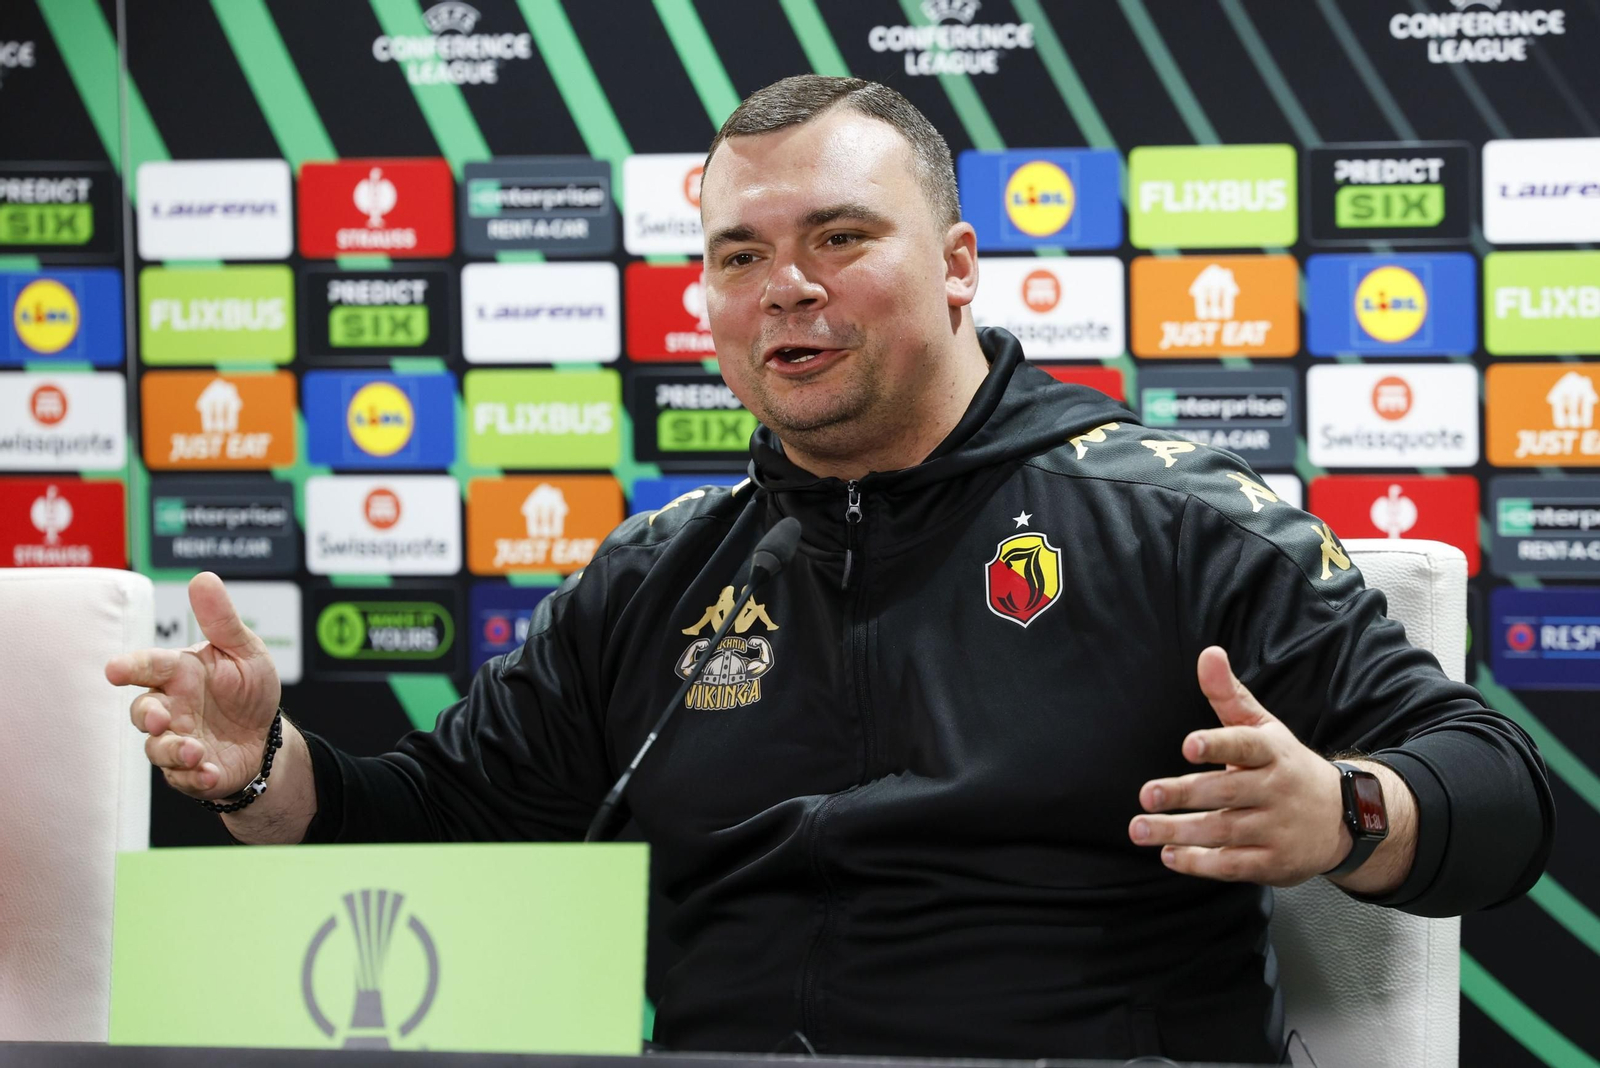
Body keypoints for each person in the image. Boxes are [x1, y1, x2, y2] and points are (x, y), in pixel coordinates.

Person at [107, 75, 1553, 1063]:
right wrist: (264, 767)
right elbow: (447, 826)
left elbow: (1498, 793)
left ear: (960, 264)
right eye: (740, 256)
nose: (784, 286)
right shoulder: (660, 573)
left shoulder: (1181, 525)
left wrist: (1347, 809)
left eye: (839, 238)